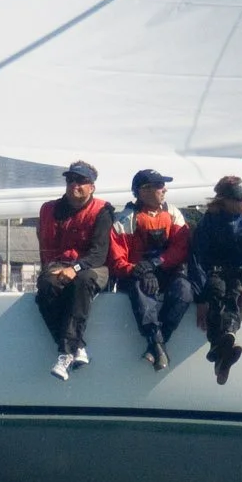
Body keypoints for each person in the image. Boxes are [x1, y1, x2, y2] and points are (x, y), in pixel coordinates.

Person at [186, 176, 242, 385]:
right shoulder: (209, 222)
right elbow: (197, 258)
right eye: (239, 199)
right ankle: (222, 349)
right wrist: (200, 298)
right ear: (225, 201)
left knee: (236, 293)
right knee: (215, 290)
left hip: (241, 271)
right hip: (215, 270)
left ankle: (223, 343)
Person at [35, 161, 112, 379]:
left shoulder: (102, 212)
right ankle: (77, 348)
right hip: (59, 265)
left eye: (80, 181)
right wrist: (52, 269)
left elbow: (99, 254)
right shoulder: (51, 209)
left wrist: (76, 268)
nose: (74, 185)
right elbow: (45, 245)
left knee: (82, 282)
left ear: (91, 187)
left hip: (93, 266)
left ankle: (65, 352)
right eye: (70, 180)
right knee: (46, 288)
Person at [110, 169, 192, 369]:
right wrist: (140, 270)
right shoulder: (125, 219)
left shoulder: (173, 214)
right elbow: (117, 259)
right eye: (158, 186)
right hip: (137, 274)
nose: (164, 189)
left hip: (167, 271)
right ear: (143, 191)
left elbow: (181, 248)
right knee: (142, 294)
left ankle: (155, 345)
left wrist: (156, 264)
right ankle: (157, 343)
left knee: (185, 292)